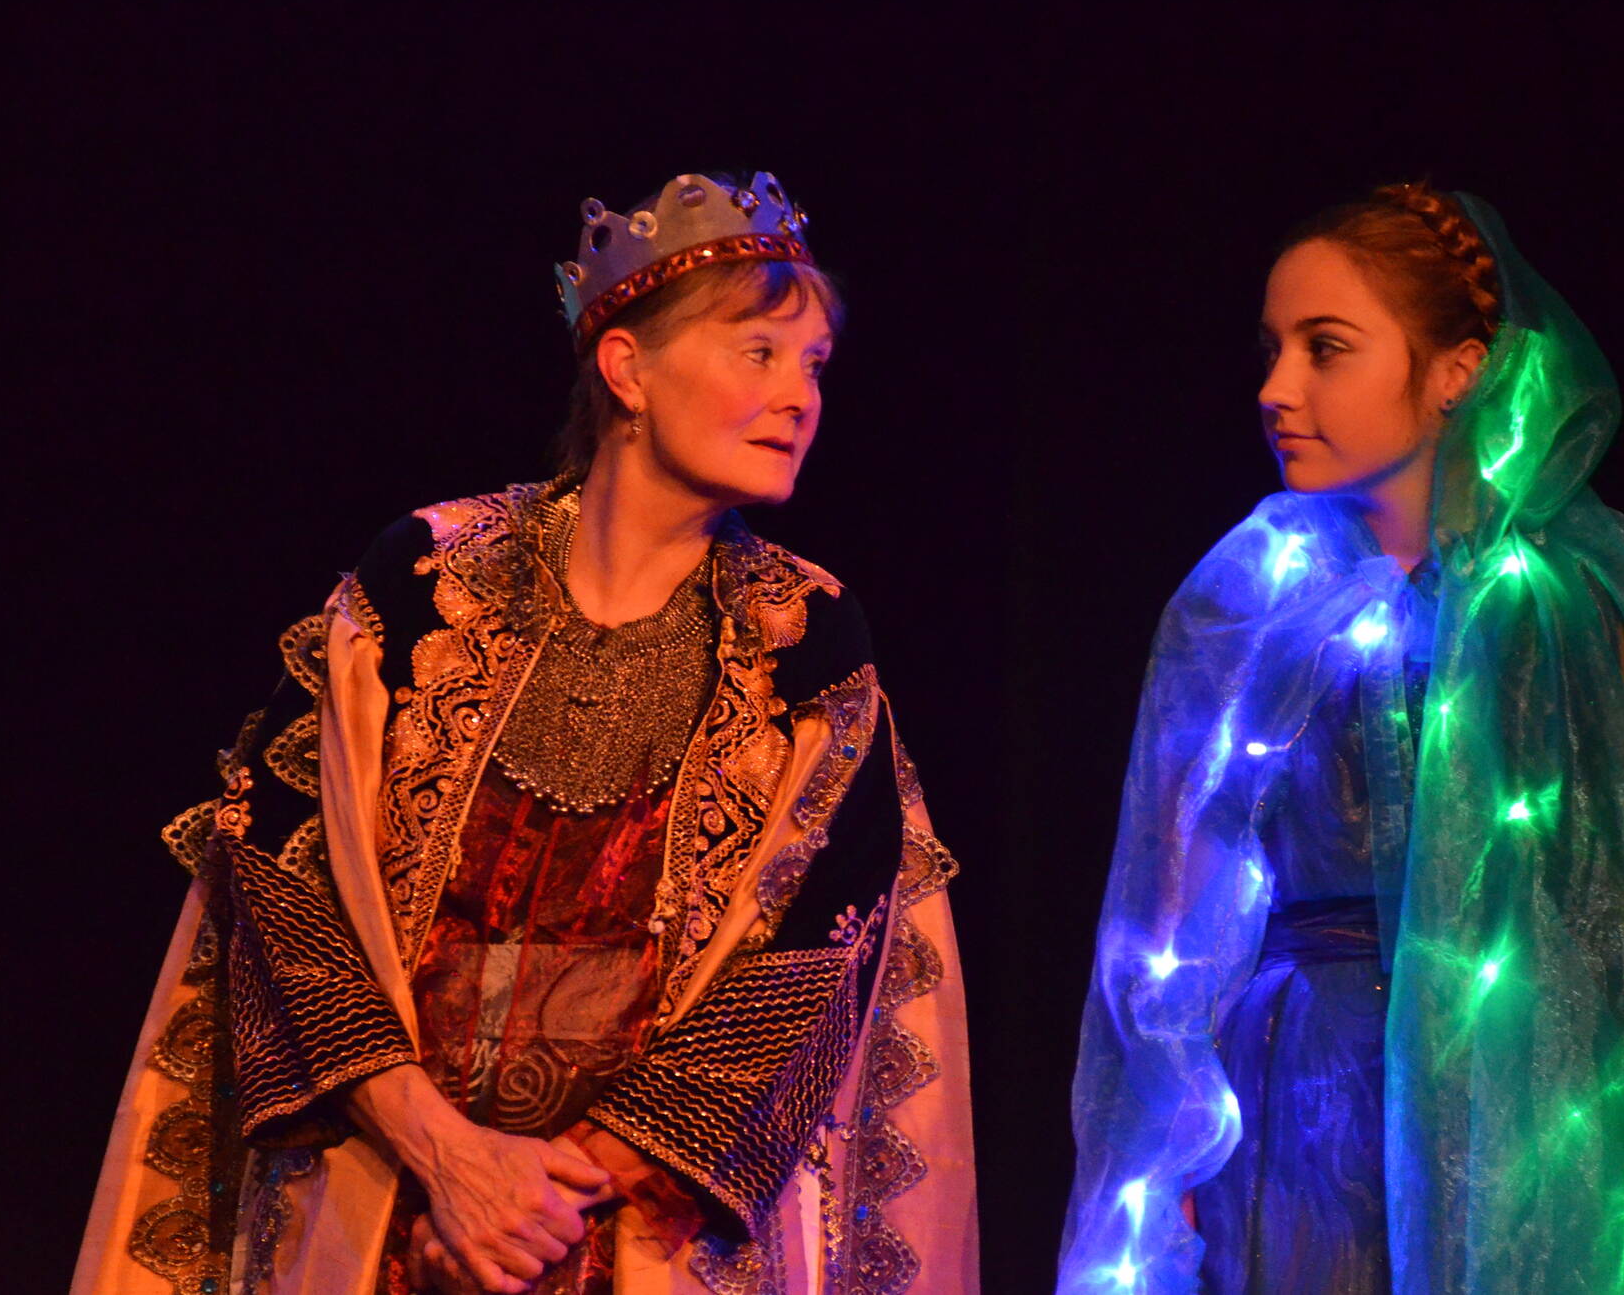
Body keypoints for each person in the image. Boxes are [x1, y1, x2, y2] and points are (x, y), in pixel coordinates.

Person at [74, 171, 978, 1295]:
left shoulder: (804, 633)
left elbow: (816, 949)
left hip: (634, 1219)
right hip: (388, 1188)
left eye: (812, 366)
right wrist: (445, 1159)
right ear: (626, 368)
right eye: (758, 353)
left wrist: (537, 1202)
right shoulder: (420, 580)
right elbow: (279, 867)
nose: (800, 397)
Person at [1058, 183, 1624, 1292]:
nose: (1275, 389)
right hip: (1300, 1108)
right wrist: (1164, 1158)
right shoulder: (1246, 600)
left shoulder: (1588, 595)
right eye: (1271, 347)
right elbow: (1171, 928)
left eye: (1324, 348)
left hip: (1531, 1106)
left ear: (1455, 373)